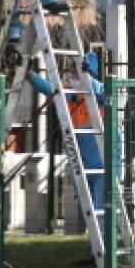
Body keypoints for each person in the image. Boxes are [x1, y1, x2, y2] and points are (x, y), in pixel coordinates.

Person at [27, 52, 119, 213]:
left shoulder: (99, 93)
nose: (74, 75)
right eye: (75, 71)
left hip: (102, 164)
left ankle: (104, 237)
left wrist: (87, 80)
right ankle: (96, 237)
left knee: (101, 209)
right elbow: (48, 87)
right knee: (88, 210)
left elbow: (102, 92)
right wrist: (29, 75)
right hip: (81, 162)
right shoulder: (68, 93)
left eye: (79, 72)